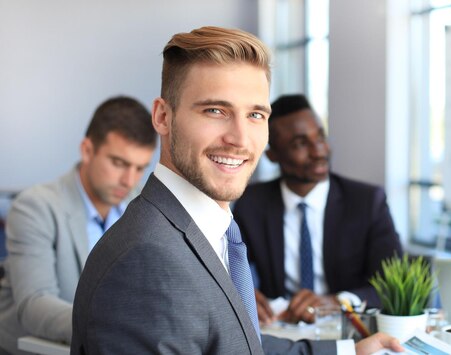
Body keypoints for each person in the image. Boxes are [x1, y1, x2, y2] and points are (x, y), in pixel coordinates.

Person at [71, 26, 403, 355]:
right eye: (215, 110)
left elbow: (239, 343)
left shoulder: (208, 229)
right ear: (162, 117)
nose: (240, 139)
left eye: (256, 114)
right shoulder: (147, 259)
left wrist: (349, 352)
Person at [0, 96, 157, 354]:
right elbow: (34, 304)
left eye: (140, 168)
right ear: (87, 150)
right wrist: (115, 328)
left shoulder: (143, 208)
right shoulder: (35, 207)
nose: (129, 180)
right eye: (119, 163)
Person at [233, 94, 403, 325]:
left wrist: (338, 302)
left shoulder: (366, 201)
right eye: (301, 143)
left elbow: (394, 283)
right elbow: (231, 266)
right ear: (272, 155)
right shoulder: (251, 202)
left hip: (345, 327)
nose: (319, 151)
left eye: (320, 137)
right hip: (282, 329)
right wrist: (243, 292)